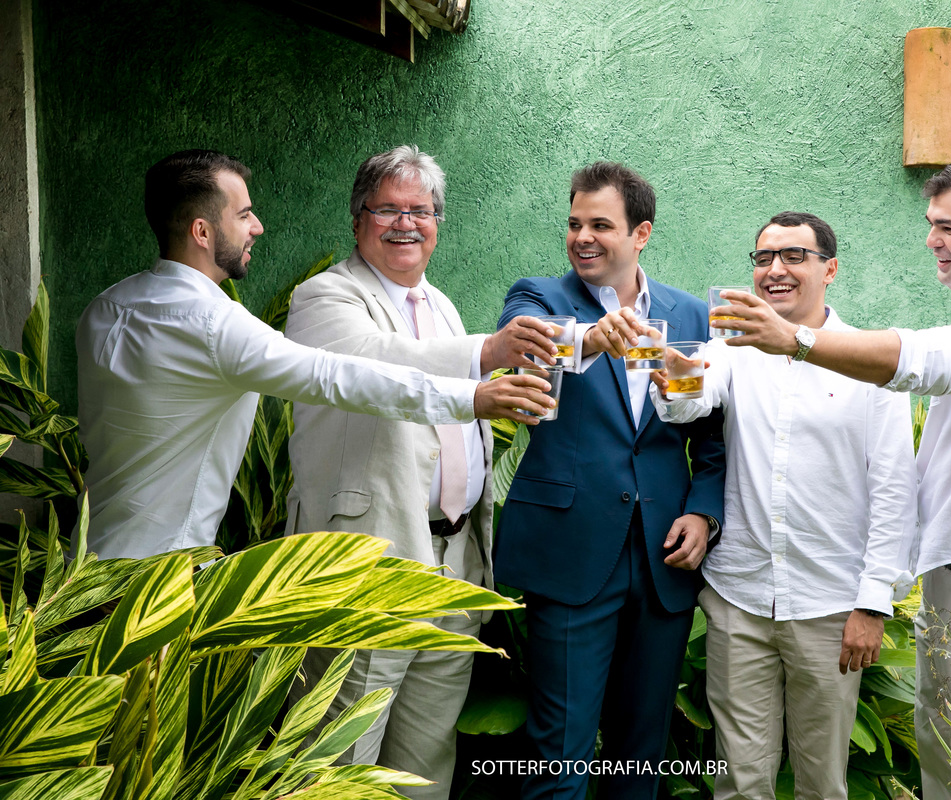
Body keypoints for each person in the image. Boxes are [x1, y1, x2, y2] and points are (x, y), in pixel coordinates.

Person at [711, 157, 951, 799]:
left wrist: (797, 342)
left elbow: (928, 364)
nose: (930, 240)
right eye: (930, 223)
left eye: (947, 226)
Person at [76, 149, 551, 561]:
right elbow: (334, 375)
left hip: (87, 564)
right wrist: (473, 398)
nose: (257, 227)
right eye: (243, 215)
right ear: (202, 231)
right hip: (161, 576)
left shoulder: (105, 308)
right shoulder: (214, 324)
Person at [282, 145, 560, 798]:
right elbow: (380, 367)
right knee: (341, 760)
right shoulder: (323, 298)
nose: (407, 223)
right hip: (368, 563)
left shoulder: (437, 304)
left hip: (453, 559)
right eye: (389, 209)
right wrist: (486, 360)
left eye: (422, 210)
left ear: (437, 222)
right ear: (358, 221)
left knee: (423, 763)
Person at [650, 211, 918, 800]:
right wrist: (675, 376)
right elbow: (690, 406)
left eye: (794, 256)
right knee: (739, 784)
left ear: (830, 269)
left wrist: (873, 604)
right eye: (763, 257)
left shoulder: (870, 363)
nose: (775, 269)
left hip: (830, 605)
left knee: (822, 784)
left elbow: (895, 493)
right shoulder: (732, 347)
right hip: (738, 599)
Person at [494, 161, 726, 800]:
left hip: (663, 553)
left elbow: (712, 436)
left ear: (641, 233)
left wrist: (705, 512)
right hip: (570, 547)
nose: (583, 237)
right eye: (574, 223)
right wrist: (593, 339)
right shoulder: (539, 296)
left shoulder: (689, 314)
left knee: (640, 749)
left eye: (601, 224)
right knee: (558, 748)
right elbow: (528, 347)